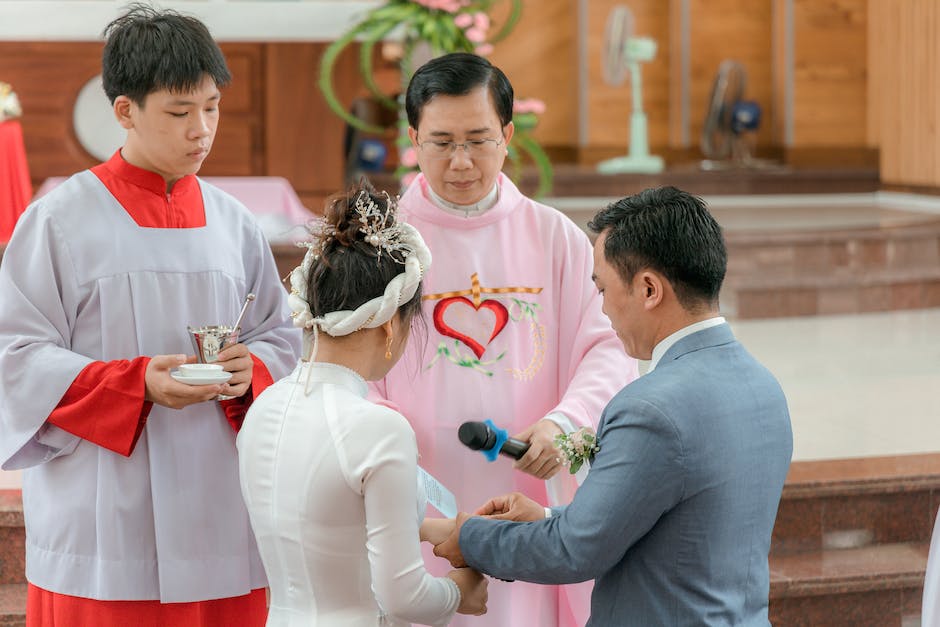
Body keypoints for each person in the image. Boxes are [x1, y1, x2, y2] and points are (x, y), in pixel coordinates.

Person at [0, 6, 300, 626]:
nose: (202, 129)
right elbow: (16, 356)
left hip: (219, 507)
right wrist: (135, 384)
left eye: (211, 107)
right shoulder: (58, 220)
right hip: (104, 514)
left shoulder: (234, 221)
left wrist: (255, 367)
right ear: (125, 110)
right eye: (179, 111)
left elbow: (280, 336)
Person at [433, 187, 794, 626]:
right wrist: (549, 517)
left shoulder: (651, 409)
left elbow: (574, 550)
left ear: (648, 289)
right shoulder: (763, 386)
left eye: (603, 289)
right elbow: (678, 522)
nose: (603, 309)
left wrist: (471, 537)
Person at [370, 51, 637, 627]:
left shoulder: (555, 237)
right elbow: (338, 368)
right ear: (412, 137)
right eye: (441, 142)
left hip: (525, 479)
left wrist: (562, 427)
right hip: (415, 489)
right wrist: (385, 443)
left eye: (478, 139)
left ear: (508, 135)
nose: (461, 161)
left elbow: (608, 348)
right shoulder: (379, 243)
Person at [237, 183, 488, 626]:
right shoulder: (378, 427)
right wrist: (459, 592)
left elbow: (319, 523)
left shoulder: (265, 406)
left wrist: (426, 529)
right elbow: (403, 597)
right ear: (391, 326)